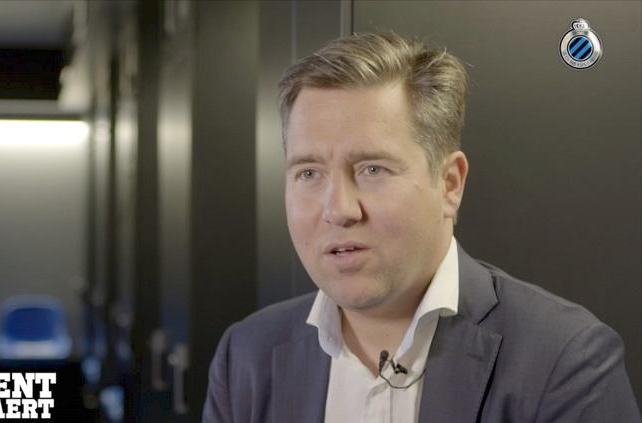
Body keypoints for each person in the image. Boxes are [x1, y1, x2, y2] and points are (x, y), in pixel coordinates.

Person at [202, 32, 640, 423]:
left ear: (449, 184)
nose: (338, 210)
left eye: (372, 169)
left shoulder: (562, 359)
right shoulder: (246, 356)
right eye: (309, 173)